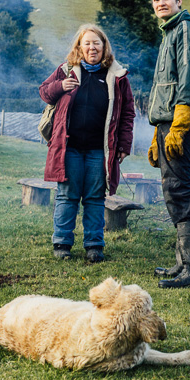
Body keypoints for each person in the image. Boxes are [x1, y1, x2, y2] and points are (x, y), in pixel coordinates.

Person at [39, 24, 134, 262]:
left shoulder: (117, 77)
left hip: (99, 150)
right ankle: (62, 244)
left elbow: (127, 114)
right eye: (87, 43)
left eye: (96, 43)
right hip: (68, 147)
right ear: (79, 47)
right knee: (67, 196)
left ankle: (94, 246)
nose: (92, 47)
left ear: (104, 47)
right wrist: (61, 86)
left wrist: (123, 145)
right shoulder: (65, 70)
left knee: (94, 197)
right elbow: (44, 92)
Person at [147, 0, 190, 288]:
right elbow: (166, 89)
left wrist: (179, 125)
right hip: (168, 125)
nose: (161, 3)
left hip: (180, 125)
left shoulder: (186, 30)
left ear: (179, 0)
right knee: (174, 189)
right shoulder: (170, 32)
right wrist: (158, 131)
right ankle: (182, 263)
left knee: (179, 190)